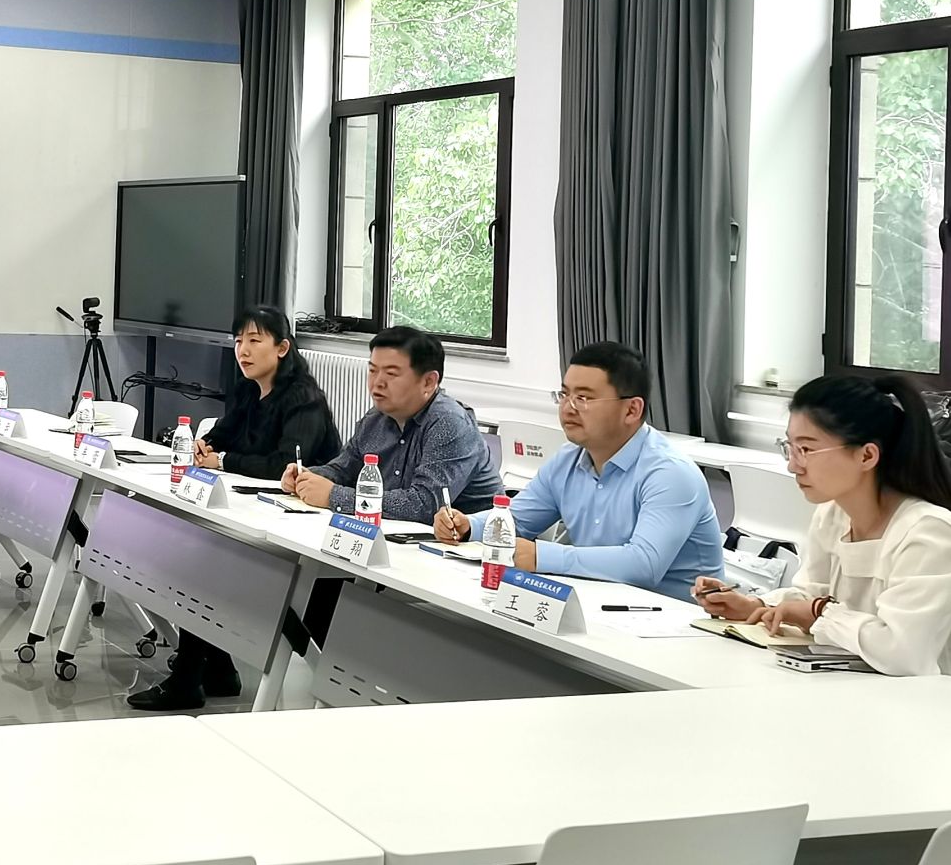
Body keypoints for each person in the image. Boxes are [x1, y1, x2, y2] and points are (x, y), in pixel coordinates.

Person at [129, 304, 339, 712]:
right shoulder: (249, 390)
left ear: (282, 348)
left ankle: (189, 678)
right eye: (239, 340)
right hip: (255, 509)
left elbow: (283, 465)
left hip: (300, 526)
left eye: (254, 341)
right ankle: (219, 668)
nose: (243, 350)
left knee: (206, 560)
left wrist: (222, 461)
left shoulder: (304, 399)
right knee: (193, 545)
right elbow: (222, 436)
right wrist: (204, 446)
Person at [696, 373, 951, 676]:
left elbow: (903, 652)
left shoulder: (929, 532)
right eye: (789, 447)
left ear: (866, 455)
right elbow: (809, 595)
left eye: (806, 450)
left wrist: (820, 613)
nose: (793, 465)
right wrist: (755, 605)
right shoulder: (833, 515)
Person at [436, 341, 724, 599]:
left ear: (632, 410)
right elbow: (519, 521)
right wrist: (469, 526)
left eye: (584, 398)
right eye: (564, 394)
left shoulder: (670, 474)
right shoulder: (568, 459)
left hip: (673, 622)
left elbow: (643, 565)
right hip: (599, 603)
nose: (568, 408)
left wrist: (540, 556)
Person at [283, 325, 500, 520]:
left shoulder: (450, 423)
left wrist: (333, 496)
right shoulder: (375, 418)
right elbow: (344, 469)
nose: (377, 382)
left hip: (466, 544)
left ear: (428, 382)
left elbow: (424, 505)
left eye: (391, 374)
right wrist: (307, 477)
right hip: (398, 535)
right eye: (372, 371)